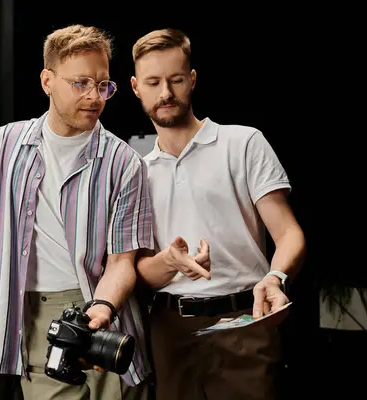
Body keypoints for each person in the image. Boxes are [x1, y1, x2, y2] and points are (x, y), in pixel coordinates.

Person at [0, 24, 154, 400]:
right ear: (47, 80)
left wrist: (101, 309)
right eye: (81, 83)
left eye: (103, 85)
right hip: (35, 318)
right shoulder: (2, 145)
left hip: (106, 317)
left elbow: (121, 262)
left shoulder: (125, 163)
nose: (95, 96)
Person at [130, 28, 307, 400]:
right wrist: (170, 261)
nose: (165, 93)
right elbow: (138, 272)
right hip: (168, 331)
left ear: (192, 80)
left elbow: (289, 234)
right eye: (154, 82)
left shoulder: (242, 143)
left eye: (176, 80)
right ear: (135, 87)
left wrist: (275, 278)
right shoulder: (135, 172)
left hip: (244, 322)